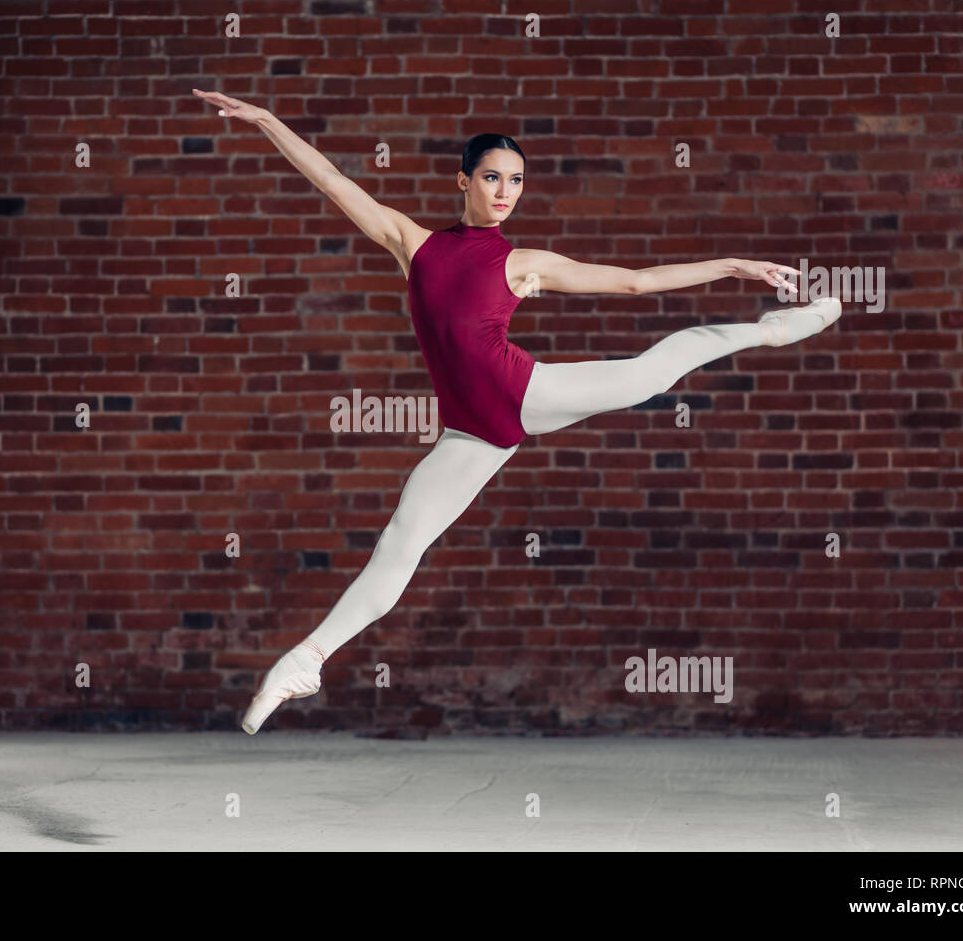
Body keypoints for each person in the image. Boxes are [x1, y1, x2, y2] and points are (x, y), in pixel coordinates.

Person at [190, 89, 841, 735]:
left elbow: (636, 281)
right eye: (493, 177)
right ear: (464, 181)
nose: (505, 191)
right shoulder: (414, 245)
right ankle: (306, 661)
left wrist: (732, 265)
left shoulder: (521, 261)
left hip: (520, 393)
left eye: (517, 181)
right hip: (471, 431)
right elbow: (332, 182)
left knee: (652, 372)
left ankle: (776, 329)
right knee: (400, 544)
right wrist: (268, 120)